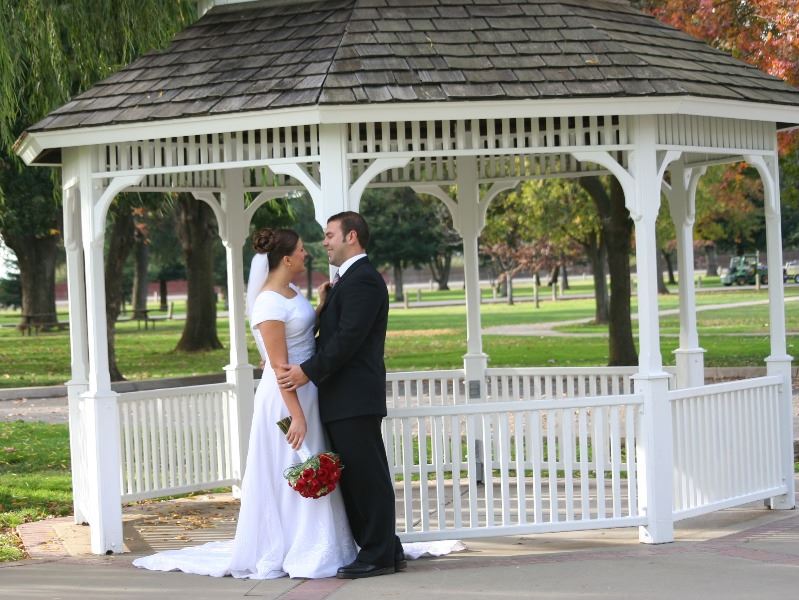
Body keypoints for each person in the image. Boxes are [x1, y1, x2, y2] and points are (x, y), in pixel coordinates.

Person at [133, 228, 356, 579]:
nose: (306, 254)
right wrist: (296, 415)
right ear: (286, 259)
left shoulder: (292, 291)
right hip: (287, 399)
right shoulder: (268, 302)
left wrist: (322, 305)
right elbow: (280, 366)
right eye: (300, 250)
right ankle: (291, 544)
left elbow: (298, 335)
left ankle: (320, 540)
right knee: (295, 463)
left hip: (308, 390)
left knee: (313, 461)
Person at [277, 211, 404, 579]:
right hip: (342, 397)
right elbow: (334, 333)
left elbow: (348, 340)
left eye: (330, 235)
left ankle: (378, 554)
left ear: (351, 237)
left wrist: (307, 371)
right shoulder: (346, 282)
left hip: (354, 397)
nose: (325, 242)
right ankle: (385, 547)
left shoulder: (363, 280)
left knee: (368, 477)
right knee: (358, 476)